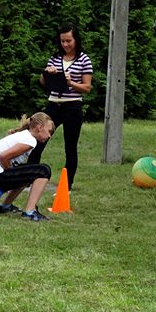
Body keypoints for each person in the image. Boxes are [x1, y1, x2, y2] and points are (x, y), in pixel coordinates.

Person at [28, 23, 93, 191]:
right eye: (62, 41)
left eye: (69, 41)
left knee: (70, 146)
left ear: (76, 40)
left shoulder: (84, 59)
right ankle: (30, 178)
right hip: (53, 105)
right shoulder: (55, 58)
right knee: (38, 141)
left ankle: (67, 185)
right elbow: (43, 82)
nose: (65, 44)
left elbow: (87, 88)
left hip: (72, 107)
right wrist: (47, 74)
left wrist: (71, 83)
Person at [0, 112, 56, 222]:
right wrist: (10, 170)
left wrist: (14, 170)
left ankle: (5, 206)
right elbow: (3, 157)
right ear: (40, 127)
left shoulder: (24, 135)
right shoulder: (30, 140)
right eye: (49, 131)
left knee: (27, 171)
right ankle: (30, 212)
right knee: (43, 170)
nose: (49, 136)